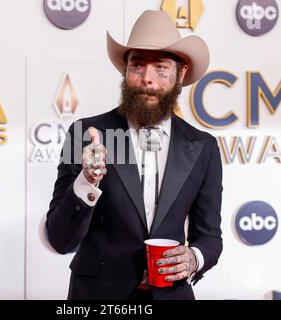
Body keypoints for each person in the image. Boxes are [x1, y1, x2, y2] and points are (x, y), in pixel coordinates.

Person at [46, 10, 223, 300]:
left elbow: (210, 237)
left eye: (161, 68)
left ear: (180, 75)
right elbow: (59, 238)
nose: (147, 79)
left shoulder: (203, 146)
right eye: (137, 66)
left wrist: (193, 258)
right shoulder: (85, 134)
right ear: (125, 72)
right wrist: (87, 182)